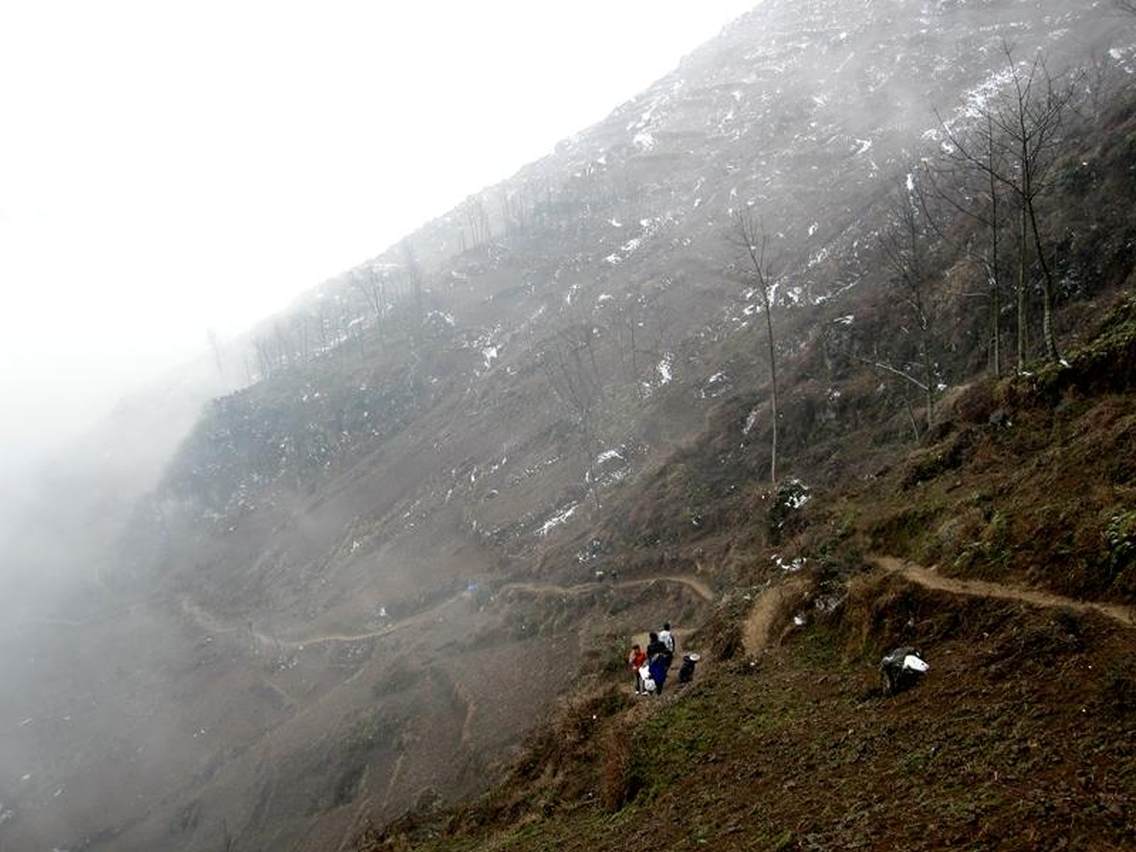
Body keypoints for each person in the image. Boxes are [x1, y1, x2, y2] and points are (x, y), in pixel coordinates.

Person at [646, 631, 669, 696]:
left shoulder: (650, 646)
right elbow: (667, 652)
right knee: (661, 676)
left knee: (654, 676)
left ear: (650, 638)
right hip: (661, 662)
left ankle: (655, 690)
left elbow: (648, 656)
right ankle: (659, 691)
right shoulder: (661, 643)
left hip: (654, 664)